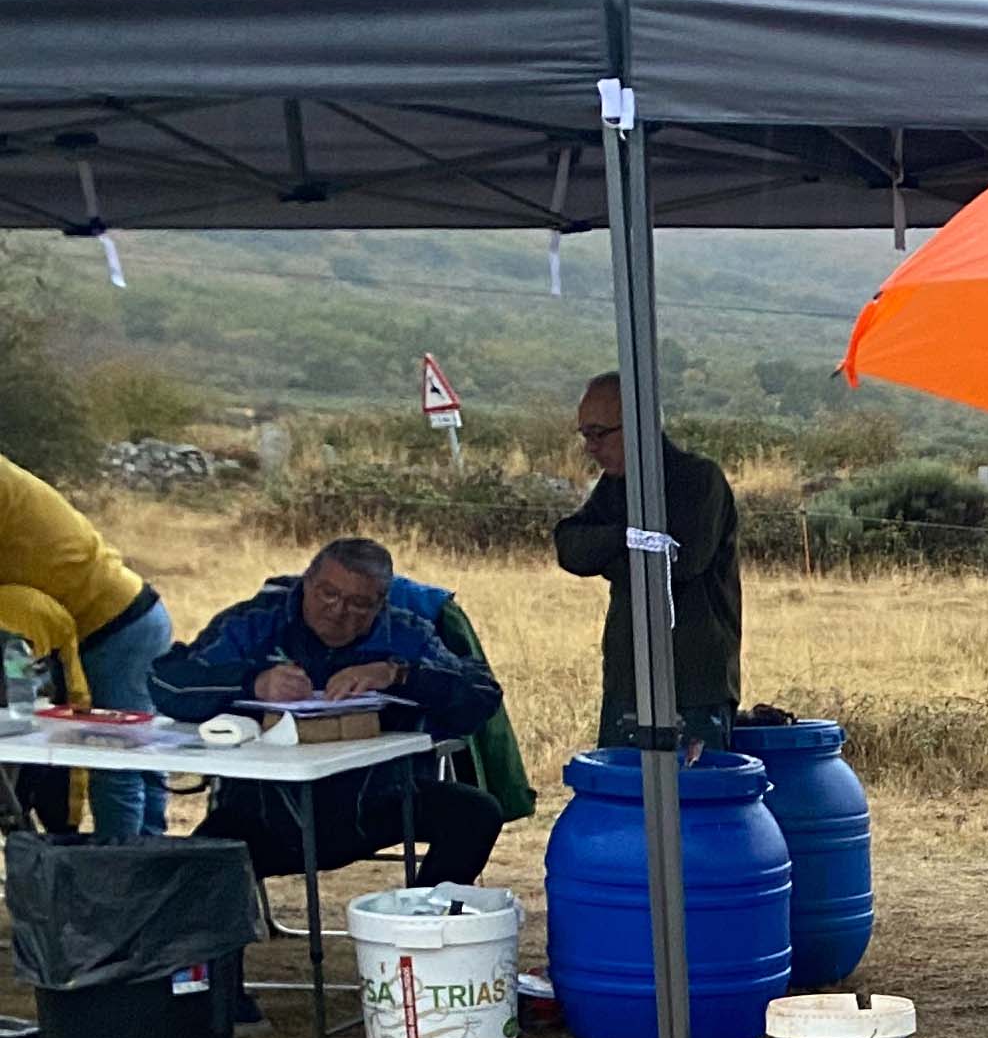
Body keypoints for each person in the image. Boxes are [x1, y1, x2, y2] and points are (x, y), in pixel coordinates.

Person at [147, 537, 504, 885]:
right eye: (327, 594)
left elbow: (483, 694)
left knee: (476, 814)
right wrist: (252, 682)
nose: (338, 611)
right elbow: (168, 684)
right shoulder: (255, 622)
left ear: (380, 603)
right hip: (263, 813)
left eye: (358, 604)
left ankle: (421, 918)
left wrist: (398, 675)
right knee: (190, 875)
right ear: (306, 582)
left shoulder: (405, 633)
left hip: (378, 803)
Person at [550, 374, 741, 749]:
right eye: (585, 435)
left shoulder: (699, 479)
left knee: (693, 789)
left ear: (639, 424)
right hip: (628, 683)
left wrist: (610, 553)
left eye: (599, 433)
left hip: (694, 687)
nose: (590, 448)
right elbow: (570, 546)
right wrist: (628, 538)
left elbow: (679, 563)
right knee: (621, 786)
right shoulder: (615, 485)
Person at [0, 449, 178, 835]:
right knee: (137, 760)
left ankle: (123, 864)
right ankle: (149, 855)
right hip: (127, 613)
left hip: (113, 625)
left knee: (115, 762)